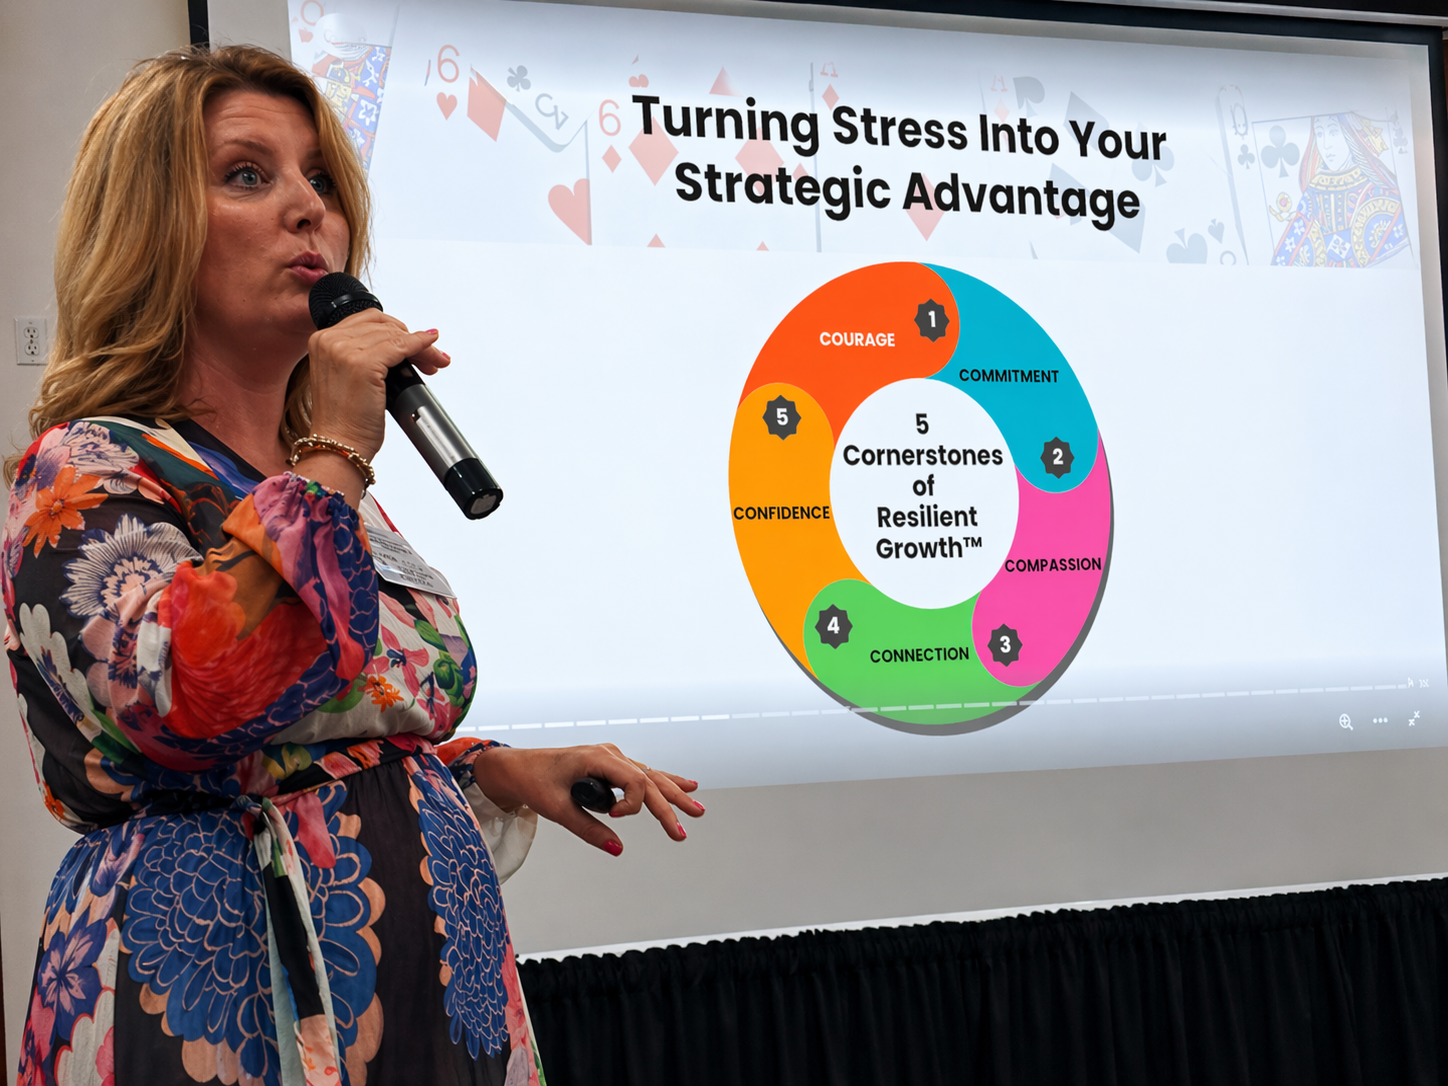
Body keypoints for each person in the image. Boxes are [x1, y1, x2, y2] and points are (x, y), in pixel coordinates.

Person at [1, 45, 703, 1086]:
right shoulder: (89, 466)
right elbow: (192, 700)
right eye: (250, 174)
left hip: (425, 996)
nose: (309, 209)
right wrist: (333, 452)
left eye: (321, 179)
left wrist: (486, 769)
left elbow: (332, 724)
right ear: (151, 226)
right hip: (217, 996)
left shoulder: (323, 482)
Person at [1271, 111, 1408, 268]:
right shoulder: (1313, 192)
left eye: (1333, 132)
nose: (1326, 144)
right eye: (1320, 134)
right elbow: (1290, 250)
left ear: (1349, 133)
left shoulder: (1376, 189)